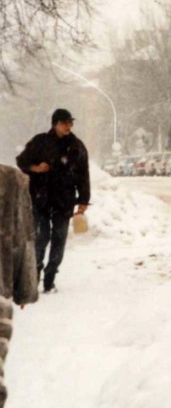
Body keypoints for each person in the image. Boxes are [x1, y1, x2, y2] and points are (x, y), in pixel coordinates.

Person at [16, 109, 90, 293]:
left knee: (59, 239)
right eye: (65, 122)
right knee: (40, 239)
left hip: (64, 201)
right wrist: (36, 168)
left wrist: (83, 200)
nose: (69, 126)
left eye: (70, 123)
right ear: (55, 123)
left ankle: (50, 278)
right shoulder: (40, 142)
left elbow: (83, 174)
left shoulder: (76, 146)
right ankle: (34, 277)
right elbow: (21, 161)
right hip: (40, 199)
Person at [0, 164, 40, 408]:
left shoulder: (12, 180)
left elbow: (23, 238)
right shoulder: (10, 180)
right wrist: (24, 288)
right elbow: (23, 240)